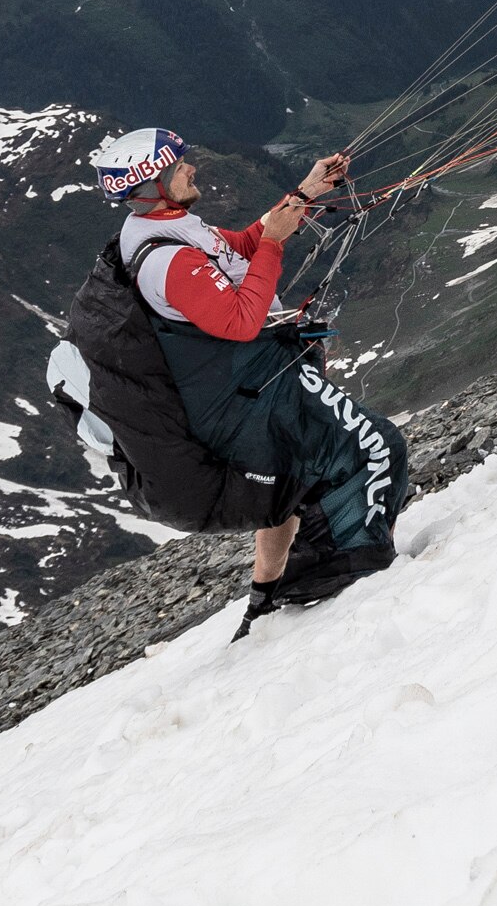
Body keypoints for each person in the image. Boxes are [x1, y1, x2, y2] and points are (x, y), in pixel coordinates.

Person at [58, 128, 412, 638]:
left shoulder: (166, 227)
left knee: (295, 479)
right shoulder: (167, 259)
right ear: (153, 185)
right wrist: (274, 244)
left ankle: (269, 599)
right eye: (178, 167)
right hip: (236, 401)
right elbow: (242, 320)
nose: (191, 169)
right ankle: (357, 579)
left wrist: (306, 192)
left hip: (234, 390)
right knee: (379, 448)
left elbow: (238, 248)